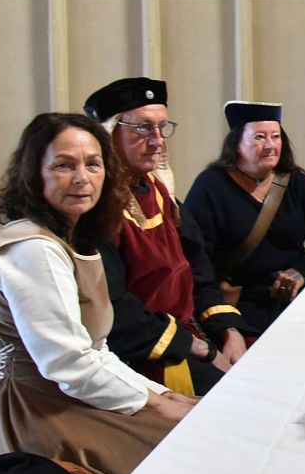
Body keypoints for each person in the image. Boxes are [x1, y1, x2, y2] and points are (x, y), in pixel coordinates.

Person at [0, 112, 194, 474]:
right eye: (65, 165)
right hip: (40, 409)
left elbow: (96, 348)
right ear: (35, 173)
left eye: (93, 164)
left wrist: (162, 394)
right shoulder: (32, 249)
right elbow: (68, 364)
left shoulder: (68, 236)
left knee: (193, 425)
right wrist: (158, 406)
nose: (82, 179)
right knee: (179, 457)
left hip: (67, 394)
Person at [84, 76, 249, 397]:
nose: (158, 141)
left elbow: (200, 275)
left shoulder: (162, 194)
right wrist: (201, 349)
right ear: (109, 133)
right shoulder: (97, 211)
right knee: (242, 400)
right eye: (143, 128)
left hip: (192, 335)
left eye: (163, 127)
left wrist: (227, 330)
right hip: (147, 352)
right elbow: (114, 310)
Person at [183, 102, 305, 333]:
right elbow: (198, 255)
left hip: (293, 297)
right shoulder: (210, 186)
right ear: (236, 145)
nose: (270, 146)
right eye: (259, 137)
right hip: (240, 304)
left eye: (275, 137)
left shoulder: (292, 181)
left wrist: (302, 270)